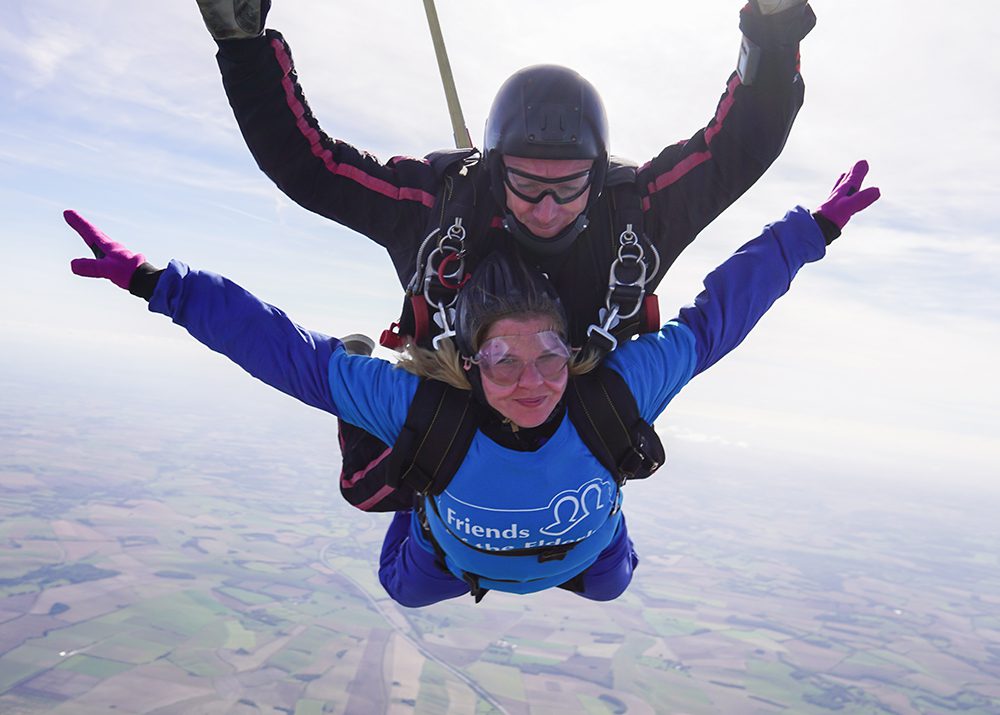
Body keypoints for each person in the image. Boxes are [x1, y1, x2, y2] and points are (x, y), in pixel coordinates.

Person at [66, 161, 880, 606]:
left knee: (610, 584)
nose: (532, 381)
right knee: (402, 588)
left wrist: (809, 231)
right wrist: (157, 283)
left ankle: (511, 528)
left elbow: (719, 320)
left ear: (575, 352)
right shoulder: (433, 410)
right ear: (468, 365)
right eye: (503, 361)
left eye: (550, 357)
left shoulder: (611, 395)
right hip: (451, 565)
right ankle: (411, 491)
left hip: (580, 559)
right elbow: (285, 352)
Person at [194, 0, 819, 509]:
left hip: (569, 403)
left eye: (569, 185)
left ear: (599, 175)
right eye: (526, 182)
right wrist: (243, 45)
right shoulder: (436, 208)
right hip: (459, 390)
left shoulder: (636, 215)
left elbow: (739, 147)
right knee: (369, 487)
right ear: (494, 171)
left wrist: (774, 22)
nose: (547, 208)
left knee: (583, 488)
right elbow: (313, 169)